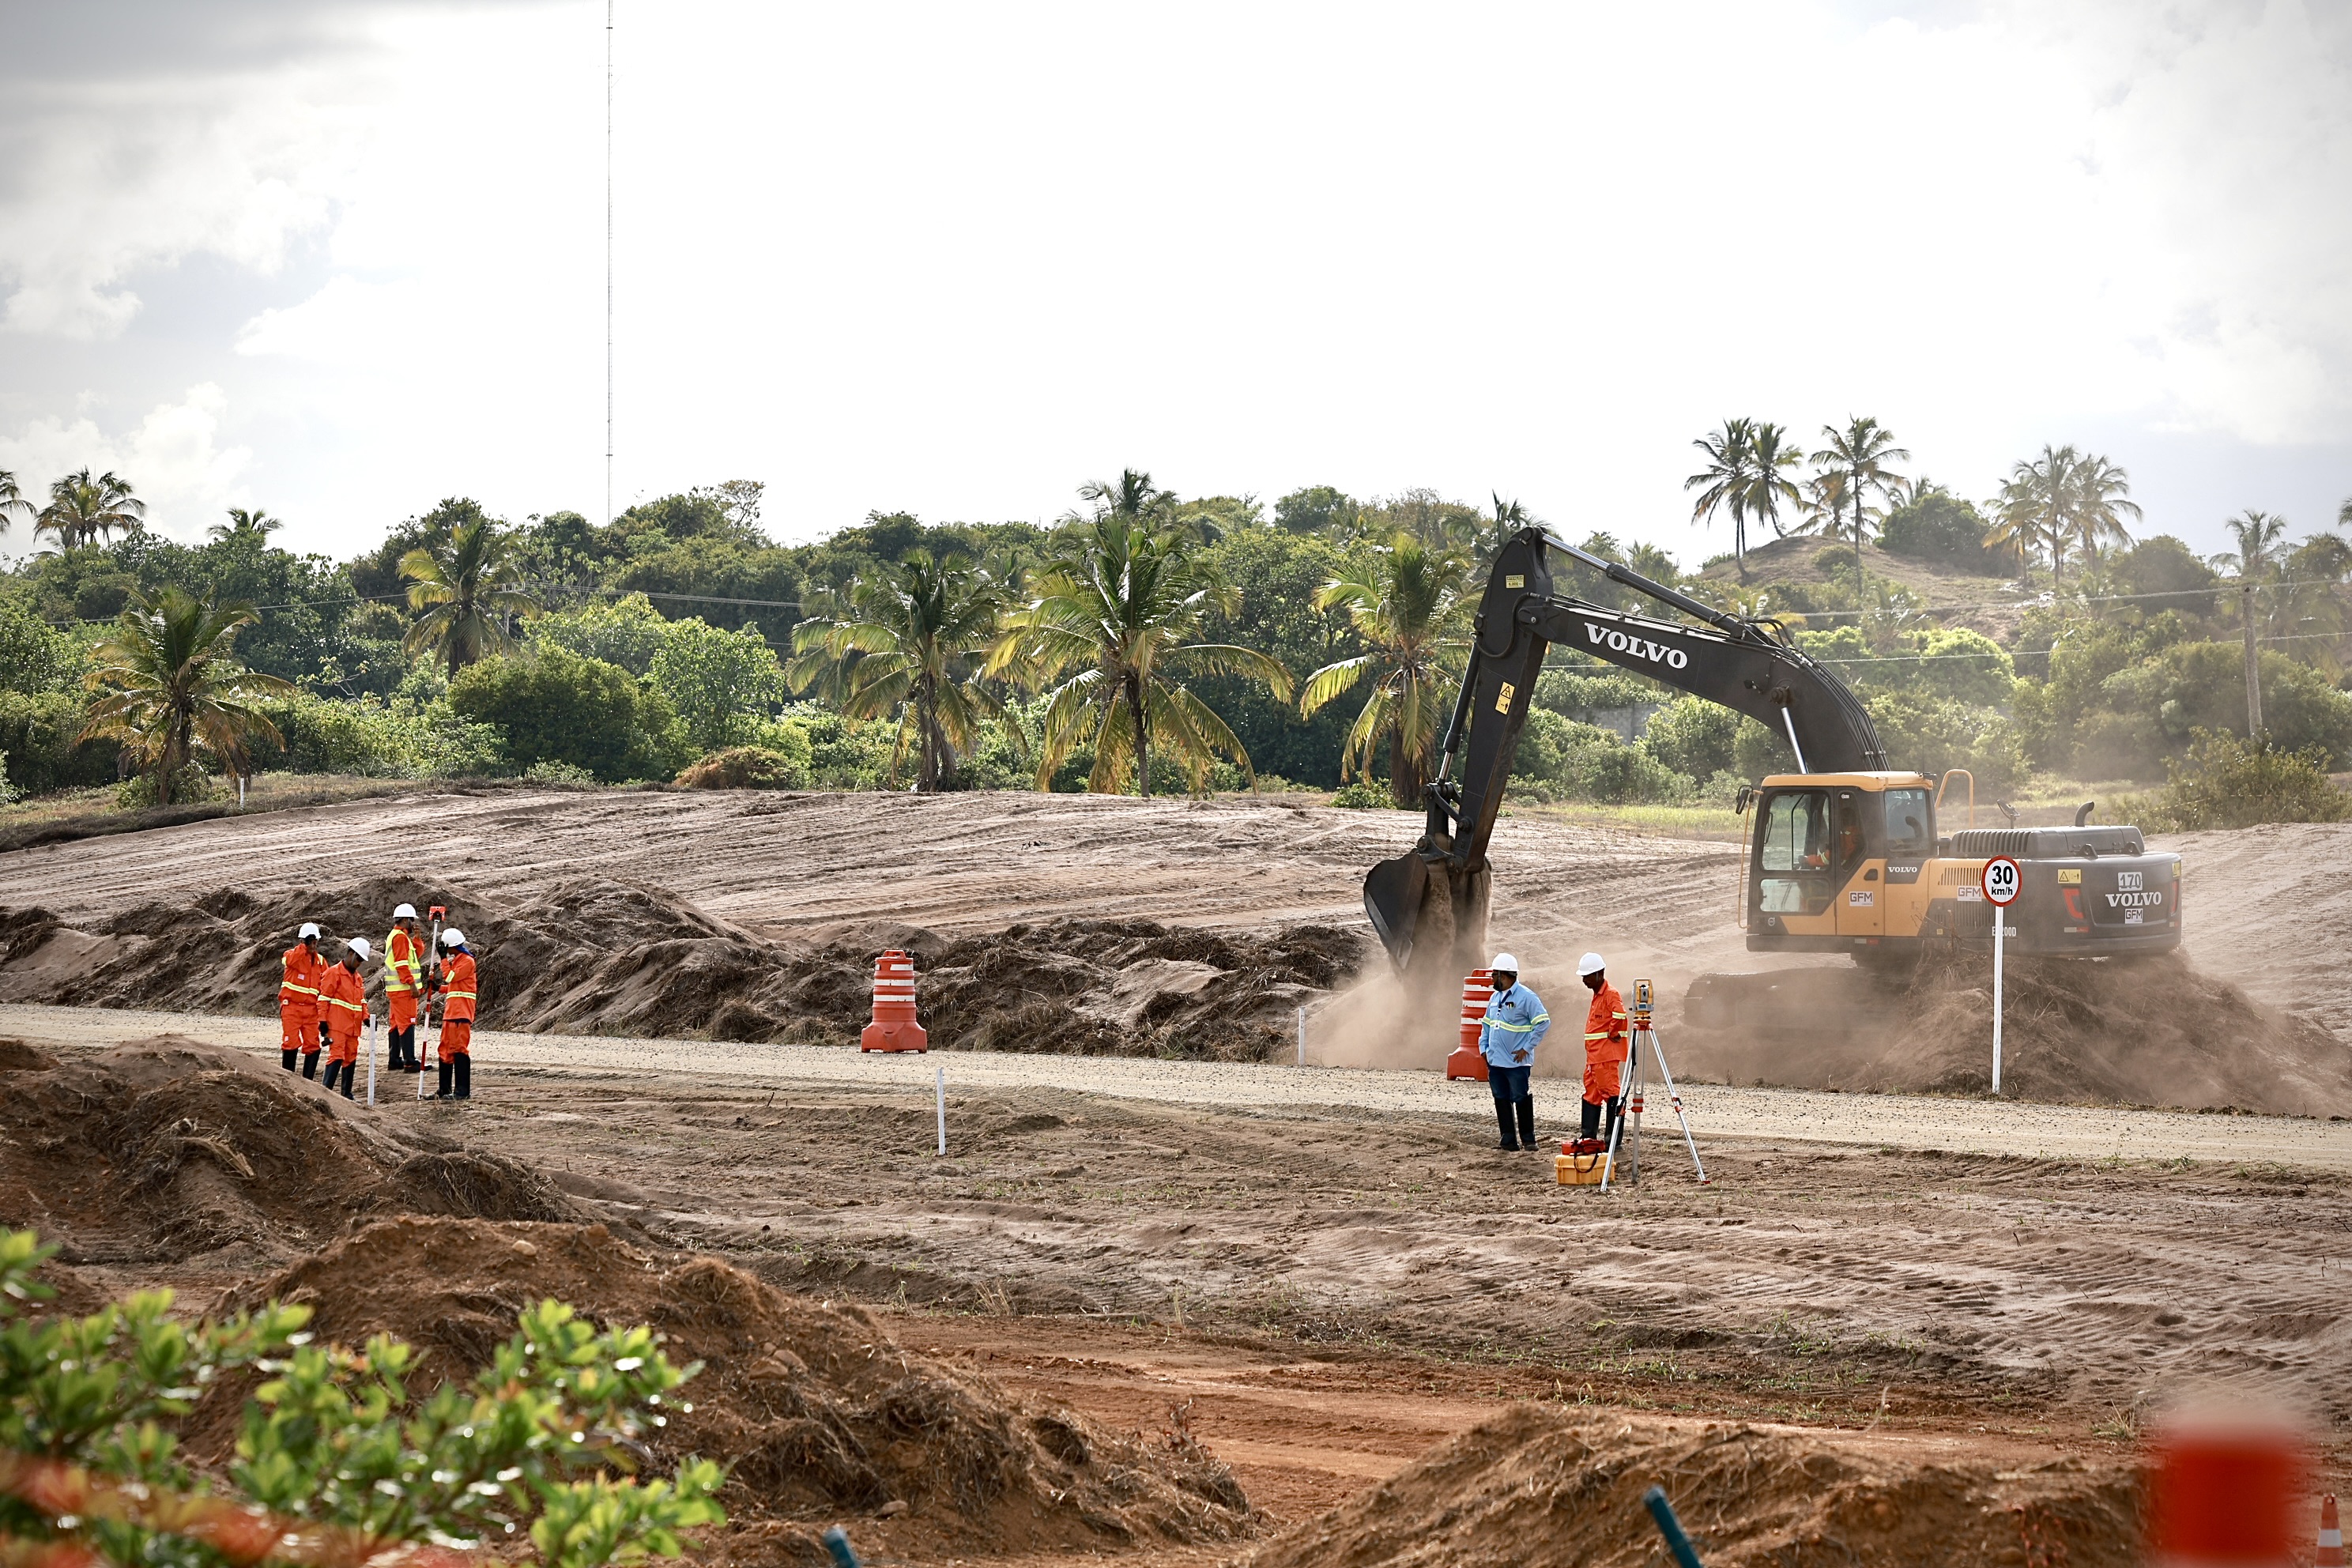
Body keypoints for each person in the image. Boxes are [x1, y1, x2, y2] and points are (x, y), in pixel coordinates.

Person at [1477, 952, 1549, 1152]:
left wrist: (1527, 1047)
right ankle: (1508, 1140)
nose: (1492, 979)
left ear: (1505, 975)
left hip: (1517, 1063)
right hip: (1495, 1062)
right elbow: (1487, 1025)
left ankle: (1528, 1140)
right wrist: (1484, 1048)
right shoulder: (1494, 998)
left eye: (1494, 975)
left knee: (1520, 1096)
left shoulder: (1527, 997)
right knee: (1500, 1097)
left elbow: (1543, 1022)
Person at [1578, 952, 1629, 1146]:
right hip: (1594, 1056)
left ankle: (1613, 1139)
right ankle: (1588, 1136)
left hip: (1604, 1056)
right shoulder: (1598, 995)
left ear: (1599, 974)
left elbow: (1620, 1015)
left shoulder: (1610, 994)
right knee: (1592, 1092)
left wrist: (1612, 1032)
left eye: (1587, 976)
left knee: (1611, 1092)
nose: (1584, 980)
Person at [316, 937, 371, 1099]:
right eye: (359, 959)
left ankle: (346, 1094)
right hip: (338, 1025)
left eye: (362, 960)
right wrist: (323, 1022)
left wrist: (366, 1017)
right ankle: (325, 1093)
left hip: (353, 1028)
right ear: (351, 954)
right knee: (337, 1056)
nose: (359, 963)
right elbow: (323, 1000)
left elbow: (361, 1001)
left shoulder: (358, 978)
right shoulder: (333, 973)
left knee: (351, 1057)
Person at [428, 927, 477, 1102]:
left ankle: (462, 1091)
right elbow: (452, 986)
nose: (446, 951)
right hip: (451, 1014)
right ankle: (444, 1090)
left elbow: (450, 977)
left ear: (453, 946)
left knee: (459, 1050)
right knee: (445, 1050)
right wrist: (436, 988)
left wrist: (442, 959)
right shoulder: (457, 960)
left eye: (447, 948)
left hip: (461, 1013)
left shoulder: (467, 961)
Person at [383, 904, 425, 1074]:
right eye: (412, 920)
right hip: (403, 990)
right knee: (408, 1023)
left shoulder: (398, 936)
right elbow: (402, 964)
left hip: (397, 990)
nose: (413, 923)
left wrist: (417, 937)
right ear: (406, 920)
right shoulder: (399, 938)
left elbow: (414, 955)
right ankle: (410, 1061)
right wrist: (412, 984)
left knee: (395, 1024)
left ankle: (395, 1060)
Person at [278, 922, 324, 1076]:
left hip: (311, 1010)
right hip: (291, 1007)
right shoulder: (292, 955)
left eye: (315, 941)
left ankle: (308, 1083)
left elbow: (326, 984)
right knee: (290, 1043)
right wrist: (303, 947)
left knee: (313, 1044)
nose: (313, 944)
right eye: (310, 941)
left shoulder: (321, 962)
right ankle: (288, 1080)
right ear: (303, 941)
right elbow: (289, 961)